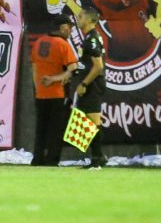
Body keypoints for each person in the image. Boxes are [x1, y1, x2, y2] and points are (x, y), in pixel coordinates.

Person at [29, 17, 78, 167]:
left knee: (40, 128)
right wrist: (54, 79)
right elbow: (73, 68)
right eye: (69, 27)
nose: (70, 31)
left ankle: (37, 159)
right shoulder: (63, 44)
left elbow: (34, 68)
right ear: (62, 28)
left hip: (40, 93)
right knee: (55, 130)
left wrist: (38, 86)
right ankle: (51, 160)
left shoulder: (38, 42)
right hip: (57, 93)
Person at [69, 9, 106, 169]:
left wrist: (84, 84)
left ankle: (97, 160)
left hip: (92, 85)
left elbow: (98, 66)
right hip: (89, 84)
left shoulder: (91, 39)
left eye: (81, 16)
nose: (78, 19)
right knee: (88, 121)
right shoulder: (89, 38)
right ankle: (98, 157)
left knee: (93, 121)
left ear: (91, 20)